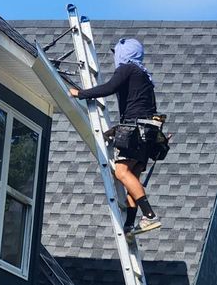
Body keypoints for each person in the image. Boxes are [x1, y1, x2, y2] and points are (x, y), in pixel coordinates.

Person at [69, 38, 162, 236]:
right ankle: (129, 225)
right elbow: (144, 107)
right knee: (131, 178)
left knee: (121, 173)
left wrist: (81, 93)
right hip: (148, 132)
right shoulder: (144, 75)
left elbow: (109, 88)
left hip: (136, 129)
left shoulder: (127, 69)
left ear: (124, 53)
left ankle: (150, 215)